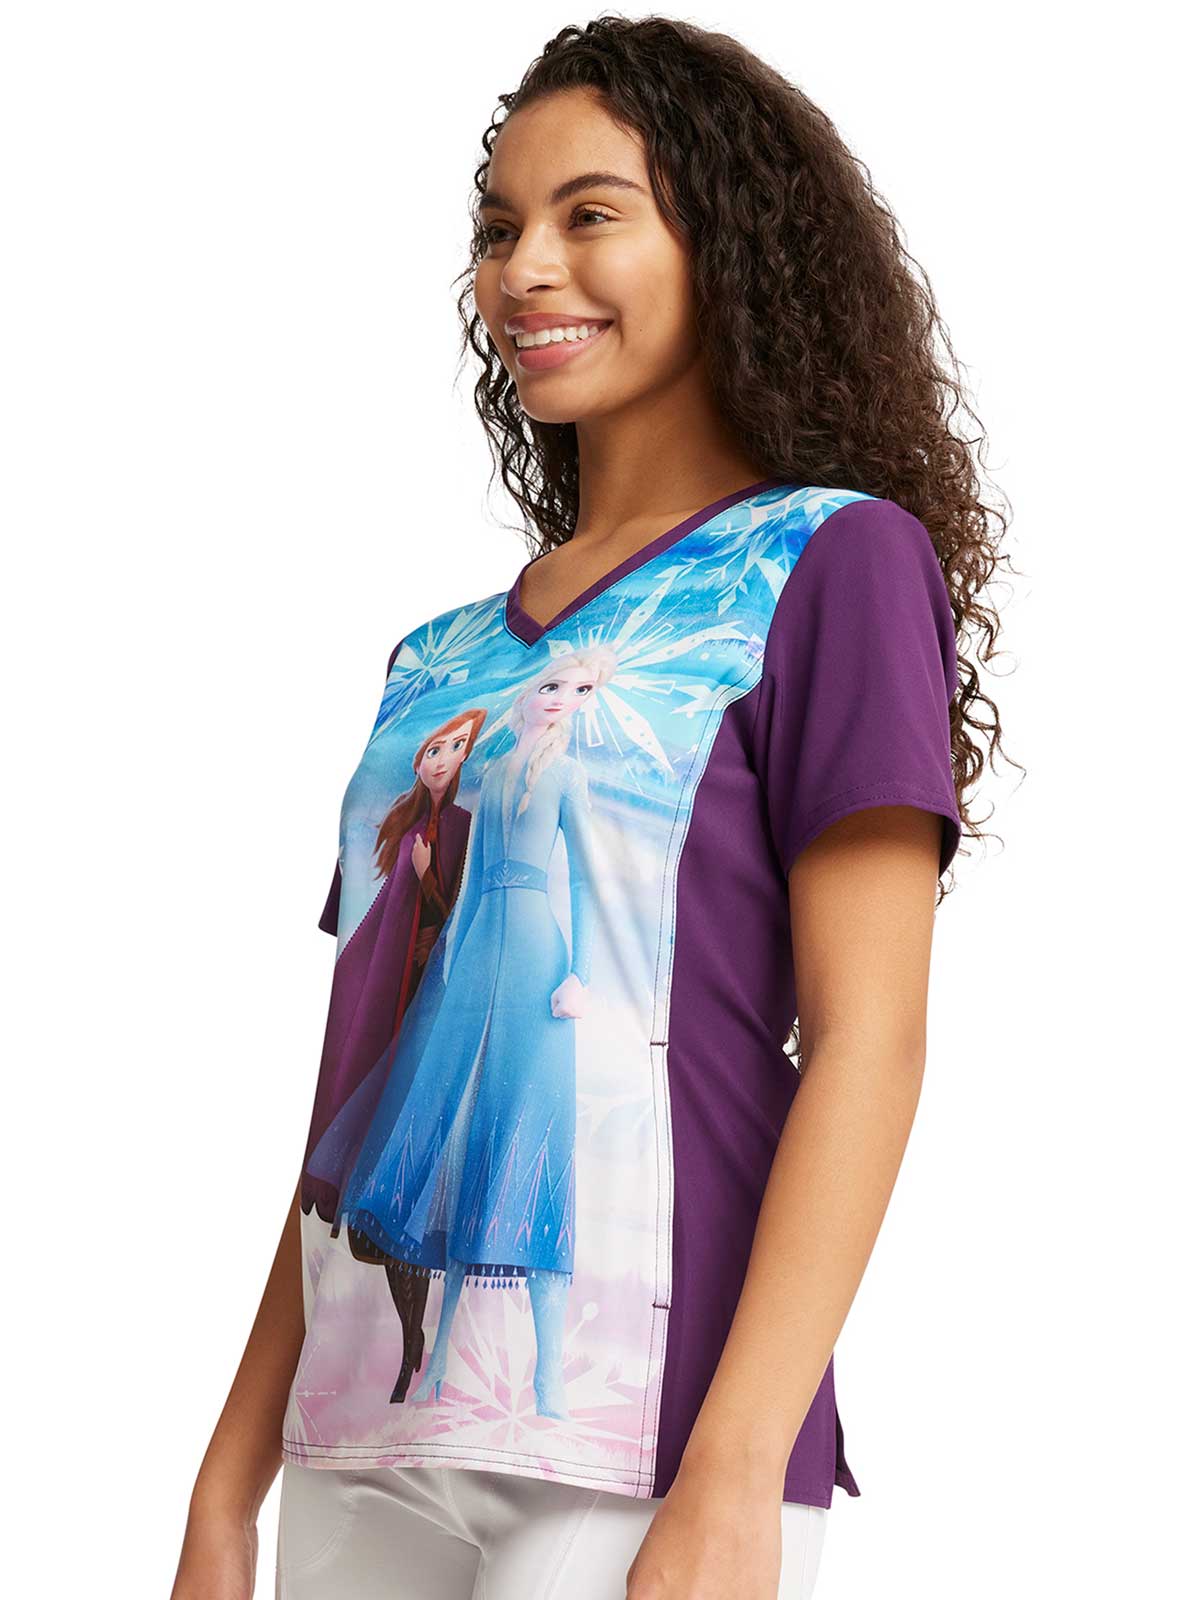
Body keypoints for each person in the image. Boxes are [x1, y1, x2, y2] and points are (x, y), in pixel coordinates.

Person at [170, 16, 1011, 1600]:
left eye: (590, 213)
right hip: (359, 1432)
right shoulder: (434, 662)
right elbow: (357, 1092)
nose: (527, 269)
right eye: (500, 229)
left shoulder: (831, 561)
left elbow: (872, 1038)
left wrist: (737, 1467)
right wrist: (230, 1478)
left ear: (726, 242)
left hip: (646, 1446)